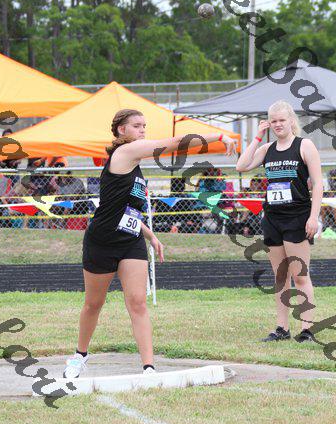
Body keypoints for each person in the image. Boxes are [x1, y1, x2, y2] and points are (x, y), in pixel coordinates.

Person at [63, 108, 236, 379]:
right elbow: (174, 143)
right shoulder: (125, 152)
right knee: (93, 304)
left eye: (144, 125)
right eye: (136, 125)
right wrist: (219, 136)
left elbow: (124, 209)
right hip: (102, 240)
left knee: (138, 302)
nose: (143, 129)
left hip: (130, 240)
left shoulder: (135, 164)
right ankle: (79, 355)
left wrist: (150, 235)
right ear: (121, 130)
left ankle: (149, 367)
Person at [236, 100, 323, 343]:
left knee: (300, 275)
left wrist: (313, 216)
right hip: (273, 218)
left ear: (291, 120)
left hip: (297, 217)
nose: (277, 125)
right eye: (273, 121)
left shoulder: (304, 145)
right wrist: (257, 137)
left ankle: (307, 329)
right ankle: (282, 328)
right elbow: (241, 166)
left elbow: (318, 183)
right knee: (280, 277)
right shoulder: (267, 149)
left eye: (281, 120)